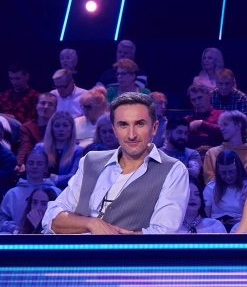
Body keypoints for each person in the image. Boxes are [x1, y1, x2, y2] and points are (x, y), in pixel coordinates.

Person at [43, 93, 190, 234]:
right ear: (114, 129)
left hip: (126, 252)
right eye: (123, 125)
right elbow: (52, 218)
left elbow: (163, 233)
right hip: (77, 251)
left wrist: (110, 239)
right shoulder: (90, 161)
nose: (131, 135)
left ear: (154, 128)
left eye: (139, 124)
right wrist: (91, 223)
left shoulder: (173, 170)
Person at [0, 148, 60, 233]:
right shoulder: (12, 193)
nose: (34, 167)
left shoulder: (56, 192)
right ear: (25, 166)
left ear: (46, 167)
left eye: (39, 164)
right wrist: (13, 228)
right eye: (31, 163)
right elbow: (1, 221)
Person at [202, 110, 247, 182]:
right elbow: (209, 180)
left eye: (225, 124)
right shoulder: (212, 153)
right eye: (221, 125)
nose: (221, 128)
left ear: (238, 125)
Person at [204, 150, 247, 229]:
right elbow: (205, 218)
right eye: (223, 173)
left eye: (232, 172)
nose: (228, 176)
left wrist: (243, 220)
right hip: (216, 228)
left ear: (238, 169)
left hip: (242, 226)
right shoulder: (211, 187)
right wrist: (218, 223)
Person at [40, 111, 84, 187]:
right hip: (41, 189)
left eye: (65, 125)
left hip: (66, 191)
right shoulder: (40, 148)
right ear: (51, 128)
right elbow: (32, 173)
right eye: (57, 126)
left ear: (71, 128)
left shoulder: (78, 151)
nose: (61, 129)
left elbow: (74, 177)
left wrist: (51, 179)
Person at [18, 92, 58, 167]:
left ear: (55, 109)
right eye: (43, 103)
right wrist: (20, 164)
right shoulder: (27, 126)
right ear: (36, 106)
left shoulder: (59, 126)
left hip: (54, 162)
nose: (46, 107)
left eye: (50, 104)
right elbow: (25, 147)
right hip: (34, 161)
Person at [185, 84, 224, 149]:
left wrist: (201, 123)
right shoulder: (188, 119)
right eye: (193, 100)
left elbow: (227, 133)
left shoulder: (222, 115)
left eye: (200, 98)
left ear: (209, 95)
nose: (197, 103)